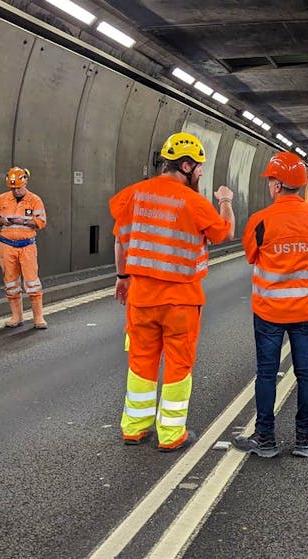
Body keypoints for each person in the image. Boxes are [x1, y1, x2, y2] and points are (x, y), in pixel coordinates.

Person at [110, 132, 236, 452]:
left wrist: (123, 278)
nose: (201, 174)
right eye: (198, 168)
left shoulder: (133, 195)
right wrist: (225, 201)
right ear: (185, 165)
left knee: (141, 361)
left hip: (141, 298)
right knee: (179, 365)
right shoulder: (194, 202)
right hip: (181, 300)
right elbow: (225, 232)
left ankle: (135, 427)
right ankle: (171, 434)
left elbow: (121, 240)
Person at [234, 151, 308, 458]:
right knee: (307, 372)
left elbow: (251, 256)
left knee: (266, 373)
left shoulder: (260, 221)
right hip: (306, 311)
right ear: (301, 185)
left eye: (271, 180)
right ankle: (303, 438)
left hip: (269, 312)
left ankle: (265, 439)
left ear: (276, 185)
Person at [0, 167, 48, 329]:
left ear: (26, 181)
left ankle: (38, 318)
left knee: (32, 282)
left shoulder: (35, 200)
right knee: (11, 282)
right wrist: (3, 220)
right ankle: (17, 316)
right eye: (13, 188)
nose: (16, 191)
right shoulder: (1, 199)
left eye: (19, 187)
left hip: (27, 246)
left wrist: (24, 222)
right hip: (7, 245)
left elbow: (41, 221)